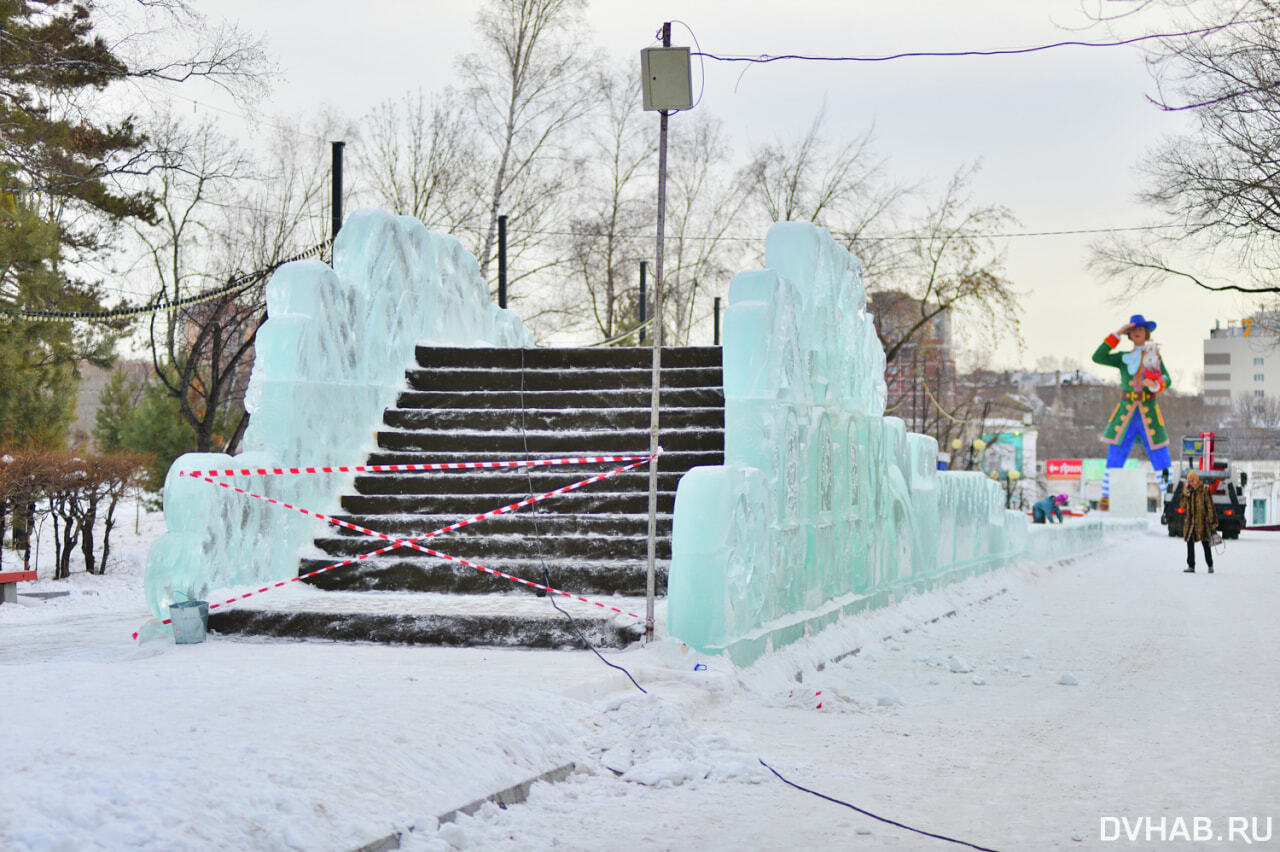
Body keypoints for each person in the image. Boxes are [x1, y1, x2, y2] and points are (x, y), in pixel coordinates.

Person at [1091, 314, 1173, 509]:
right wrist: (1117, 333)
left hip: (1148, 413)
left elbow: (1167, 379)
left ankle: (1170, 498)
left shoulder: (1154, 356)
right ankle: (1107, 497)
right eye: (1133, 330)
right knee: (1116, 452)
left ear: (1146, 333)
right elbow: (1098, 357)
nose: (1137, 333)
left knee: (1160, 452)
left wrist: (1156, 384)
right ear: (1129, 334)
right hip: (1126, 414)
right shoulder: (1123, 358)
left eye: (1140, 330)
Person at [1177, 469, 1218, 573]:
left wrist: (1212, 522)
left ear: (1196, 480)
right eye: (1189, 481)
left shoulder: (1204, 489)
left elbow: (1210, 506)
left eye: (1192, 480)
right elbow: (1182, 505)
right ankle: (1191, 565)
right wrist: (1185, 493)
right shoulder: (1188, 491)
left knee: (1205, 544)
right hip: (1191, 523)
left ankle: (1210, 565)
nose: (1191, 483)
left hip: (1203, 522)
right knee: (1189, 542)